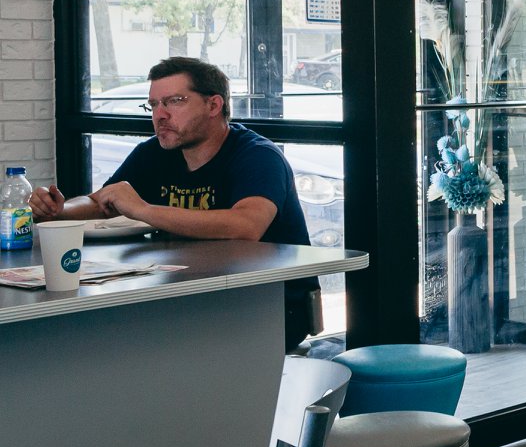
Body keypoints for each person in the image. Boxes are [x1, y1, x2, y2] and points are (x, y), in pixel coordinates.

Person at [30, 56, 319, 350]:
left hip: (269, 304)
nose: (160, 115)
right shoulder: (155, 153)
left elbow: (246, 226)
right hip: (192, 295)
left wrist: (144, 210)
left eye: (174, 101)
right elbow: (102, 200)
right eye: (154, 105)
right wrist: (60, 210)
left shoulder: (258, 156)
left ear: (213, 105)